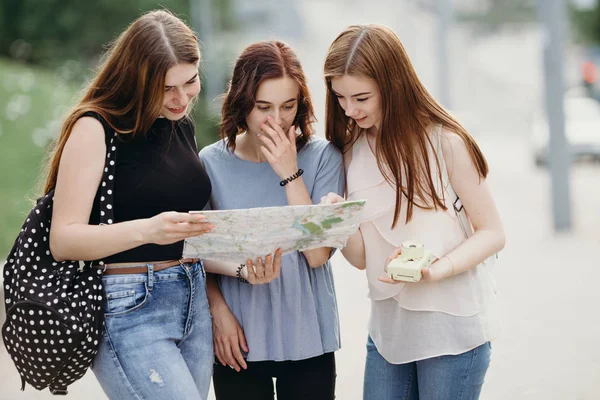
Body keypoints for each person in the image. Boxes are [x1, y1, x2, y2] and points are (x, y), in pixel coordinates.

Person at [46, 10, 280, 400]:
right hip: (131, 308)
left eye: (190, 82)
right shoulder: (95, 127)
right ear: (136, 79)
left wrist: (241, 268)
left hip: (192, 303)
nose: (181, 97)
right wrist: (149, 228)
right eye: (166, 87)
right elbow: (64, 240)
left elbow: (181, 240)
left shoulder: (179, 125)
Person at [321, 25, 506, 400]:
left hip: (452, 331)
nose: (349, 110)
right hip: (388, 335)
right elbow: (361, 260)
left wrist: (436, 269)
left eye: (361, 97)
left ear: (392, 85)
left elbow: (492, 232)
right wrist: (340, 223)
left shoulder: (445, 142)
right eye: (340, 97)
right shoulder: (350, 150)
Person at [199, 40, 344, 400]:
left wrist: (290, 173)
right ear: (242, 102)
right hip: (237, 337)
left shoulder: (324, 157)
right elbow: (194, 254)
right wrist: (217, 312)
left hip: (309, 337)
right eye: (263, 107)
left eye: (288, 106)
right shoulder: (209, 164)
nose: (276, 119)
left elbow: (317, 255)